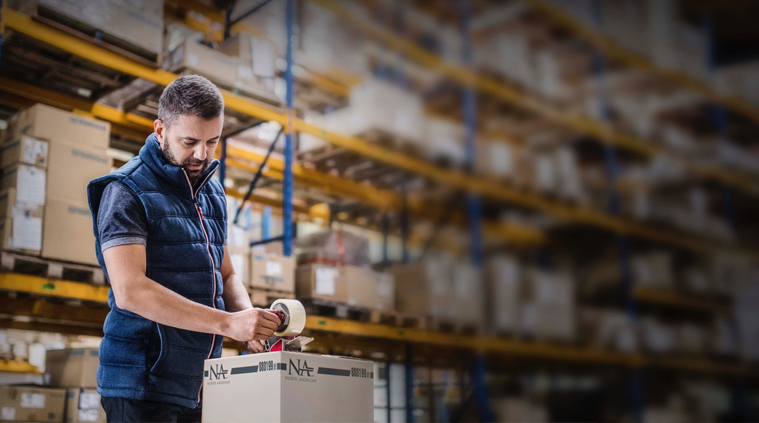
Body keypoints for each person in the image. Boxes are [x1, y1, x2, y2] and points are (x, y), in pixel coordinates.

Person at [87, 75, 280, 423]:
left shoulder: (212, 193)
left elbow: (227, 273)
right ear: (160, 130)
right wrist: (227, 323)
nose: (202, 154)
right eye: (189, 141)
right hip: (141, 386)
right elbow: (130, 291)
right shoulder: (126, 192)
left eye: (213, 141)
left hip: (199, 382)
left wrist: (250, 323)